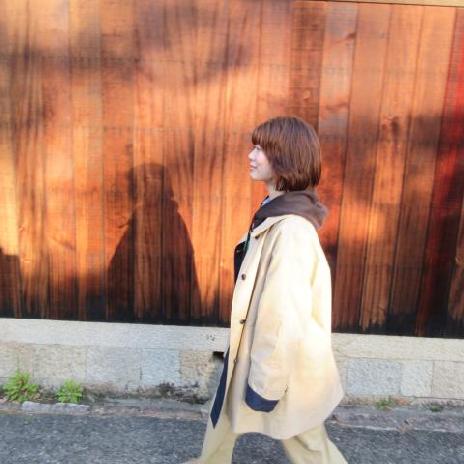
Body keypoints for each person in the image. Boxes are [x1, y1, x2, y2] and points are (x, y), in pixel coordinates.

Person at [184, 116, 347, 463]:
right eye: (253, 147)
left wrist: (267, 383)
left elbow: (284, 314)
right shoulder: (273, 213)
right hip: (254, 348)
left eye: (261, 149)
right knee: (223, 416)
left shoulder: (291, 231)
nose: (251, 155)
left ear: (287, 158)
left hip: (282, 360)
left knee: (306, 440)